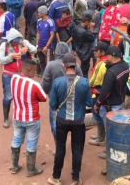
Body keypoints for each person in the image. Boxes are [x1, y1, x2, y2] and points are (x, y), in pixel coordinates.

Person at [48, 53, 93, 185]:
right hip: (79, 122)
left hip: (61, 121)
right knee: (77, 149)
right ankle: (75, 178)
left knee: (60, 148)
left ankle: (56, 177)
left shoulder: (57, 82)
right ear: (76, 65)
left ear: (63, 65)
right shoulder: (84, 82)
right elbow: (90, 103)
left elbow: (52, 104)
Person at [9, 59, 47, 177]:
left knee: (16, 139)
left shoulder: (13, 79)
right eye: (34, 70)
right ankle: (31, 170)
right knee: (31, 143)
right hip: (31, 119)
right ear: (29, 70)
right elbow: (44, 98)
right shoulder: (34, 85)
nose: (35, 73)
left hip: (17, 116)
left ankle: (14, 166)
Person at [95, 46, 130, 166]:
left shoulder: (111, 73)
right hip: (120, 101)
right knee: (117, 130)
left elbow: (105, 92)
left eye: (108, 56)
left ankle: (110, 153)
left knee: (110, 131)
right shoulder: (125, 66)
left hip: (111, 105)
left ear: (111, 56)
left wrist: (97, 104)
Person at [0, 28, 38, 128]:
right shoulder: (4, 45)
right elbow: (0, 60)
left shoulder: (23, 42)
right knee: (8, 97)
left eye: (17, 41)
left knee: (24, 96)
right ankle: (6, 118)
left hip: (22, 75)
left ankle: (21, 116)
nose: (16, 43)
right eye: (14, 42)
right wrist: (11, 57)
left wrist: (27, 48)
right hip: (9, 75)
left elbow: (35, 49)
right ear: (10, 40)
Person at [36, 5, 56, 76]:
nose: (38, 14)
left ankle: (48, 76)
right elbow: (38, 33)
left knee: (48, 62)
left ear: (43, 13)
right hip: (40, 45)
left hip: (47, 47)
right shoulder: (38, 21)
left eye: (39, 12)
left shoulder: (50, 22)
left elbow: (52, 35)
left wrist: (46, 46)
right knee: (41, 61)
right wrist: (37, 44)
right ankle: (42, 74)